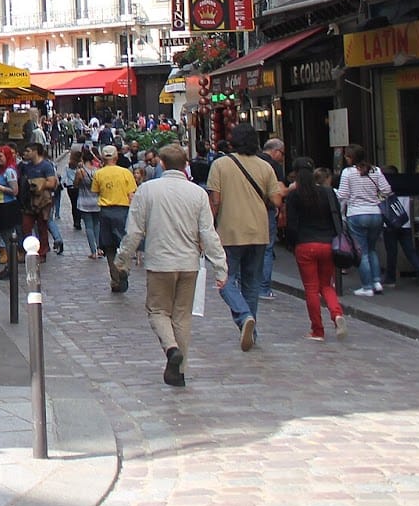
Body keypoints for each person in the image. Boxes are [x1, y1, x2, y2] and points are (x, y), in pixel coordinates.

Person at [113, 145, 227, 387]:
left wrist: (123, 260)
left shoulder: (147, 190)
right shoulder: (197, 193)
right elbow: (208, 233)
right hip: (189, 263)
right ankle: (180, 370)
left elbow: (134, 231)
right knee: (183, 316)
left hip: (160, 262)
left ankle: (171, 348)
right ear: (185, 164)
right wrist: (220, 266)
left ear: (162, 164)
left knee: (158, 311)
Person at [206, 122, 283, 351]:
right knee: (251, 283)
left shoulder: (220, 165)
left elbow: (215, 202)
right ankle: (251, 329)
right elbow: (277, 200)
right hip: (258, 230)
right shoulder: (265, 166)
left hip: (230, 231)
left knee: (224, 279)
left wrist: (208, 228)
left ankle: (243, 316)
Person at [281, 157, 348, 342]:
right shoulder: (327, 193)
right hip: (327, 243)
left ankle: (317, 330)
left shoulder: (295, 195)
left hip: (305, 244)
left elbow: (292, 224)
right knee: (326, 285)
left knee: (311, 288)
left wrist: (292, 244)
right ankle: (337, 314)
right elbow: (336, 218)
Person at [337, 144, 391, 296]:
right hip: (376, 213)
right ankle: (376, 281)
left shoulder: (348, 172)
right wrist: (376, 198)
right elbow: (386, 190)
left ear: (351, 157)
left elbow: (342, 194)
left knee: (362, 251)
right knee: (372, 249)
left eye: (347, 156)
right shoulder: (376, 170)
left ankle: (367, 286)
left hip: (357, 213)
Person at [92, 145, 136, 292]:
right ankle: (123, 268)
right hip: (122, 211)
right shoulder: (126, 173)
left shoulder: (98, 174)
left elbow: (96, 191)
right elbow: (132, 195)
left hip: (105, 211)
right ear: (116, 157)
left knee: (109, 247)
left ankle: (115, 279)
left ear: (103, 158)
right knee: (124, 244)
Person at [257, 139, 288, 301]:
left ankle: (244, 284)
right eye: (282, 153)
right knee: (267, 249)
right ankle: (263, 288)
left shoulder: (253, 161)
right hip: (267, 209)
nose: (282, 157)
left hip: (249, 209)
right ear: (276, 151)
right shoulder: (274, 166)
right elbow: (280, 192)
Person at [381, 190, 419, 288]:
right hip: (405, 223)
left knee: (391, 253)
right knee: (410, 251)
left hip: (390, 224)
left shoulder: (387, 190)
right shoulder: (407, 190)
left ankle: (391, 279)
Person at [18, 143, 60, 257]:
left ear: (35, 152)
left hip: (42, 201)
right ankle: (29, 250)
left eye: (28, 151)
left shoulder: (46, 166)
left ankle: (42, 252)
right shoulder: (26, 166)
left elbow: (52, 183)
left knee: (42, 227)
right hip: (28, 201)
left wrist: (37, 183)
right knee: (26, 227)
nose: (25, 153)